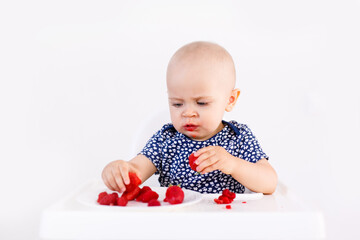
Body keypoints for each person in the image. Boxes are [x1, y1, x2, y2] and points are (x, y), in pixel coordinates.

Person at [102, 41, 277, 194]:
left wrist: (233, 165)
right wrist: (120, 171)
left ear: (229, 100)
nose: (187, 113)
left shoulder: (238, 137)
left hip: (225, 222)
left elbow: (270, 182)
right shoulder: (166, 139)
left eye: (201, 103)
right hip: (175, 220)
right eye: (177, 104)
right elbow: (136, 170)